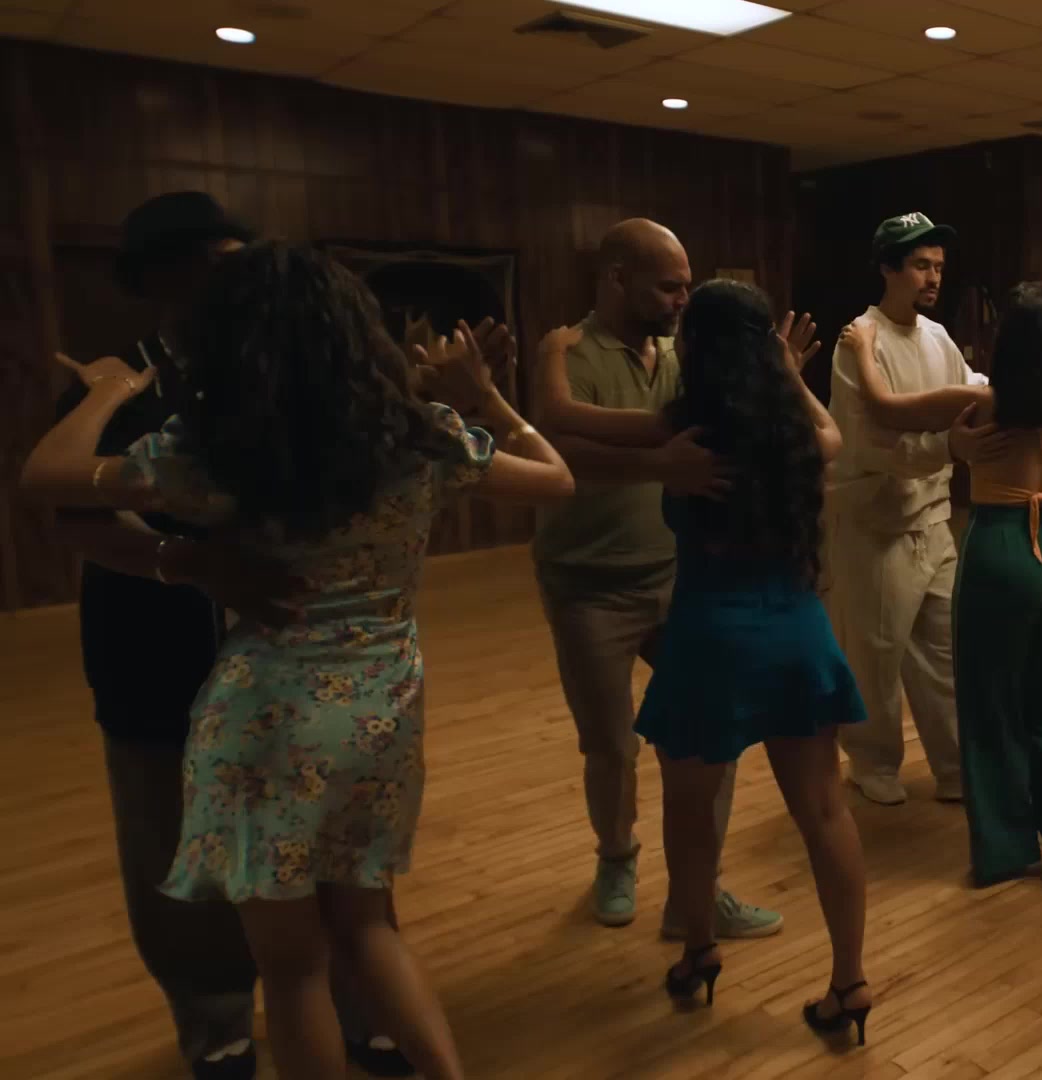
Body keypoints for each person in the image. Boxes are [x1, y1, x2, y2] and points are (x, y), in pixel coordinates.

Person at [21, 241, 578, 1080]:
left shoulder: (217, 449)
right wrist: (488, 398)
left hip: (265, 718)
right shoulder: (420, 437)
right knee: (369, 928)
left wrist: (107, 391)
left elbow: (45, 475)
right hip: (383, 706)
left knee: (293, 967)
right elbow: (556, 479)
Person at [41, 194, 416, 1080]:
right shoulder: (122, 385)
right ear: (159, 280)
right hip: (156, 651)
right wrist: (182, 562)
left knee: (337, 849)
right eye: (215, 262)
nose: (237, 275)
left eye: (241, 256)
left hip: (300, 663)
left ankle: (361, 1005)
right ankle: (216, 1021)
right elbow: (64, 507)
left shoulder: (298, 365)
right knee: (172, 842)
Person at [605, 279, 873, 1046]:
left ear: (694, 345)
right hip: (796, 630)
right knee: (826, 811)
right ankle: (850, 983)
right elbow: (833, 436)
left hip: (709, 635)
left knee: (691, 811)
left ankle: (699, 951)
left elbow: (569, 424)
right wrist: (788, 374)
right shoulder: (796, 430)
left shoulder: (682, 425)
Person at [528, 218, 782, 938]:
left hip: (681, 579)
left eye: (687, 286)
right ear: (617, 280)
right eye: (669, 286)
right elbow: (560, 450)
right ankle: (616, 858)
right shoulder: (568, 351)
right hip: (588, 584)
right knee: (611, 743)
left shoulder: (682, 354)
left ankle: (700, 890)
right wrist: (657, 462)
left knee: (711, 731)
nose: (682, 299)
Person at [838, 282, 1042, 887]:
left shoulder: (980, 404)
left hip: (1004, 541)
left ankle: (1007, 845)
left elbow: (884, 408)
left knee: (990, 699)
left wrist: (862, 349)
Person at [825, 212, 997, 806]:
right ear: (888, 268)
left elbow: (968, 389)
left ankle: (953, 766)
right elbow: (869, 442)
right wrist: (948, 446)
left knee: (944, 653)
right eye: (921, 265)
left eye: (939, 267)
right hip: (877, 522)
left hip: (933, 517)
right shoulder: (859, 340)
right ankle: (871, 761)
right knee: (875, 653)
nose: (933, 278)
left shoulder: (937, 335)